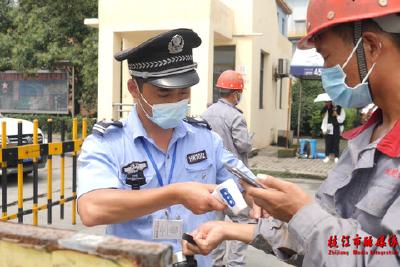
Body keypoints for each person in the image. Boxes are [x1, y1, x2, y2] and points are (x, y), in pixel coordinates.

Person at [183, 1, 400, 266]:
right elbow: (320, 240)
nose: (325, 72)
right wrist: (235, 229)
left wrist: (300, 210)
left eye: (327, 57)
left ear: (370, 46)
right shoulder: (365, 138)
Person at [77, 28, 256, 267]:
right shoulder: (108, 143)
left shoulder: (205, 139)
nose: (175, 101)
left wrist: (258, 198)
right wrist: (176, 194)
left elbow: (246, 186)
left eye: (183, 93)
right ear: (134, 89)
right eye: (163, 93)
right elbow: (92, 209)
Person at [202, 70, 253, 267]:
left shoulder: (207, 113)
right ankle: (234, 264)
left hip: (212, 179)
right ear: (235, 94)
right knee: (242, 221)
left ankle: (216, 263)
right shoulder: (235, 116)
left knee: (216, 220)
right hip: (234, 181)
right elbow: (243, 146)